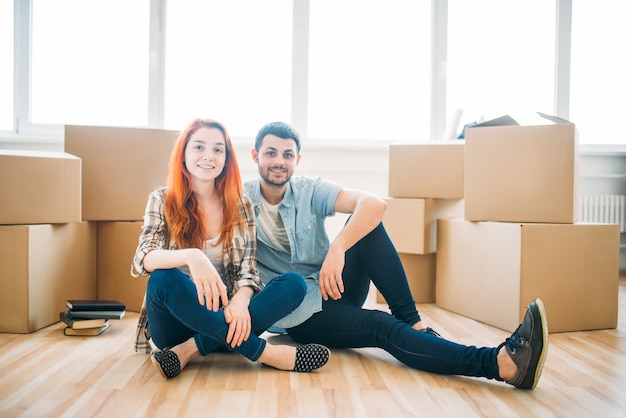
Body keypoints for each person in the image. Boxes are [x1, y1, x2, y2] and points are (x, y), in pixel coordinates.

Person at [240, 121, 549, 390]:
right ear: (256, 156)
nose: (279, 162)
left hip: (330, 284)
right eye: (271, 153)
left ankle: (412, 324)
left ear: (297, 159)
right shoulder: (239, 200)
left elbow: (374, 205)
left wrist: (338, 247)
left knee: (367, 225)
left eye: (287, 154)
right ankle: (500, 364)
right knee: (382, 328)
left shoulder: (308, 189)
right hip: (304, 316)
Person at [130, 118, 330, 379]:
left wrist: (240, 300)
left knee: (294, 284)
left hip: (230, 319)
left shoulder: (240, 205)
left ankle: (188, 351)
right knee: (162, 277)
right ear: (184, 154)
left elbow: (249, 272)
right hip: (175, 325)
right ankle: (266, 353)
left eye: (218, 149)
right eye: (199, 147)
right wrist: (192, 256)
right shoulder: (162, 199)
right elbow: (143, 257)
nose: (208, 156)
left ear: (226, 158)